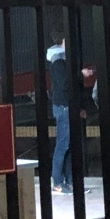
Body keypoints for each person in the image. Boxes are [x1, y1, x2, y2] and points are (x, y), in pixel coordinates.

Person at [46, 29, 72, 193]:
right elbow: (64, 84)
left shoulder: (59, 59)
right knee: (63, 145)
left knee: (66, 144)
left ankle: (68, 181)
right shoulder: (59, 61)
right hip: (63, 106)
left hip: (64, 106)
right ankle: (57, 182)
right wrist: (79, 75)